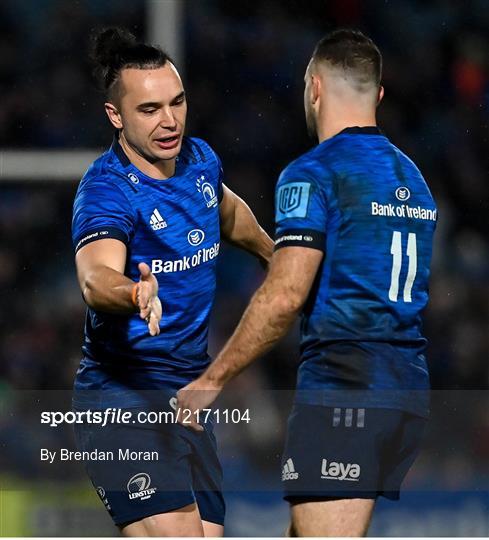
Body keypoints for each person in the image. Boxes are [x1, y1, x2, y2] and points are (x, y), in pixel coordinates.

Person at [177, 29, 437, 537]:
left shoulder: (315, 172)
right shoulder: (415, 179)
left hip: (345, 383)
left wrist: (212, 381)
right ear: (377, 95)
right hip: (406, 383)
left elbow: (285, 294)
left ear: (314, 88)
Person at [71, 27, 273, 537]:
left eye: (177, 103)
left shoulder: (200, 161)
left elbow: (226, 212)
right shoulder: (107, 190)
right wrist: (134, 293)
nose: (169, 121)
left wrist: (278, 256)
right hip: (121, 396)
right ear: (116, 116)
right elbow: (96, 278)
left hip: (185, 398)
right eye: (149, 109)